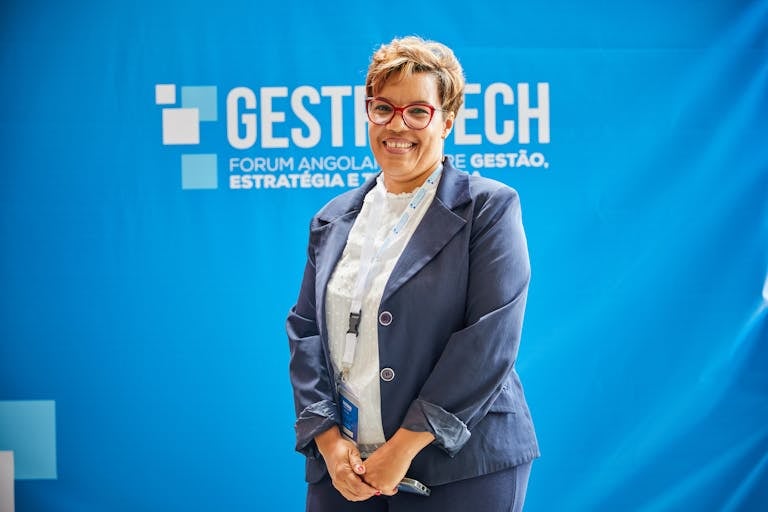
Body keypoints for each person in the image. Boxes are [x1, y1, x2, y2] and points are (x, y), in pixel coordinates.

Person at [287, 35, 539, 512]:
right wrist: (327, 440)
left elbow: (488, 340)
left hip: (460, 465)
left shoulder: (488, 207)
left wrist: (403, 446)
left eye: (418, 111)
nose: (397, 124)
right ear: (367, 114)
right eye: (383, 108)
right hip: (344, 472)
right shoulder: (332, 218)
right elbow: (305, 333)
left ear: (446, 120)